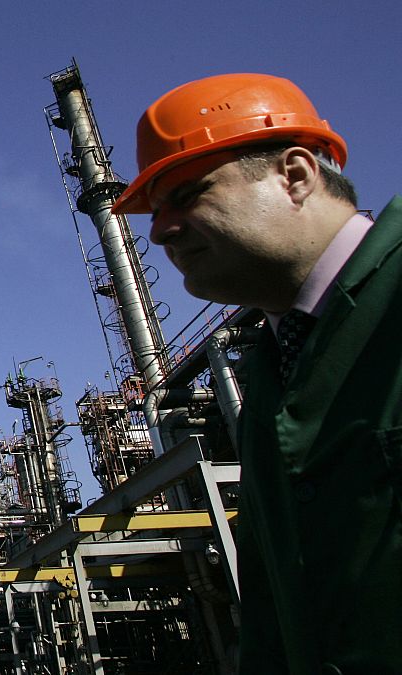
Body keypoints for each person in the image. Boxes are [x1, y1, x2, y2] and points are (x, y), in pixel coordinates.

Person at [110, 74, 402, 673]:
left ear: (294, 175)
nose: (160, 230)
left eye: (188, 194)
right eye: (155, 209)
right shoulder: (268, 375)